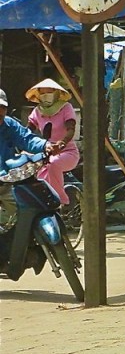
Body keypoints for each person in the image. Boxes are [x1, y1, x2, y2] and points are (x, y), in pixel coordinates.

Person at [0, 87, 62, 269]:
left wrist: (46, 146)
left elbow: (27, 139)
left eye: (2, 108)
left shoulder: (9, 124)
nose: (0, 112)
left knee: (18, 214)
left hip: (8, 179)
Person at [25, 79, 79, 205]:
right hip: (46, 152)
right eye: (42, 93)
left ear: (56, 93)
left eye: (49, 92)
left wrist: (62, 143)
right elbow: (27, 131)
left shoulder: (66, 107)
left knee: (53, 163)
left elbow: (71, 129)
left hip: (67, 152)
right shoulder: (38, 111)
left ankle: (61, 202)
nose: (46, 95)